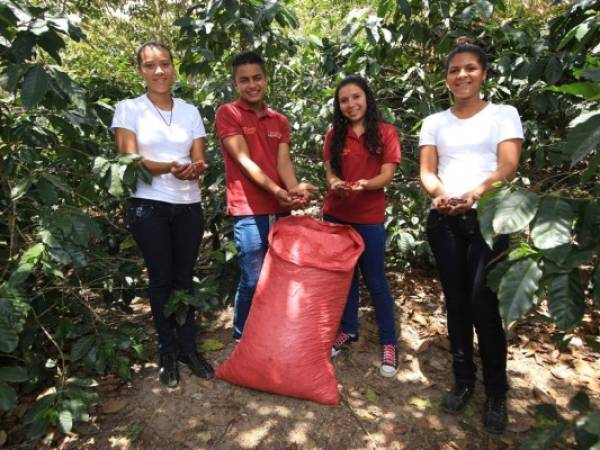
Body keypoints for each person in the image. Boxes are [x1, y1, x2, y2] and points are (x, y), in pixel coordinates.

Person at [418, 37, 524, 433]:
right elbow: (427, 171)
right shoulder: (434, 122)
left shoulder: (503, 114)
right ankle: (464, 382)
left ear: (483, 73)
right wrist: (442, 195)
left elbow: (507, 165)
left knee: (483, 304)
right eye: (454, 70)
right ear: (446, 78)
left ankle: (497, 391)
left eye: (469, 68)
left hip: (488, 219)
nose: (461, 75)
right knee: (457, 302)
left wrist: (474, 194)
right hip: (444, 220)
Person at [111, 40, 214, 388]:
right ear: (140, 70)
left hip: (188, 206)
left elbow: (199, 157)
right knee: (161, 279)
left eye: (165, 64)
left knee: (184, 278)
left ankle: (188, 347)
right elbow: (129, 159)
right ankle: (167, 351)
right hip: (148, 206)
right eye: (150, 65)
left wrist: (195, 168)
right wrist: (169, 168)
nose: (159, 71)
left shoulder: (190, 110)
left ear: (174, 66)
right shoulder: (129, 109)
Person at [215, 51, 316, 340]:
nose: (252, 85)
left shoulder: (279, 120)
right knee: (253, 275)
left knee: (279, 274)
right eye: (244, 80)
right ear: (235, 84)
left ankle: (270, 330)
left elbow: (283, 162)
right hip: (248, 208)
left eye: (257, 78)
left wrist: (294, 190)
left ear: (266, 79)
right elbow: (244, 161)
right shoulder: (229, 113)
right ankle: (242, 335)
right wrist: (279, 191)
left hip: (279, 207)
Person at [323, 75, 401, 378]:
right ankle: (348, 330)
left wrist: (364, 185)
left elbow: (387, 175)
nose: (351, 104)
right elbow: (330, 170)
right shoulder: (334, 135)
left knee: (375, 279)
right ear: (338, 105)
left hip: (369, 217)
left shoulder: (385, 132)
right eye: (344, 100)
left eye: (356, 97)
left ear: (366, 98)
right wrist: (336, 183)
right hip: (336, 214)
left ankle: (389, 342)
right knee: (345, 278)